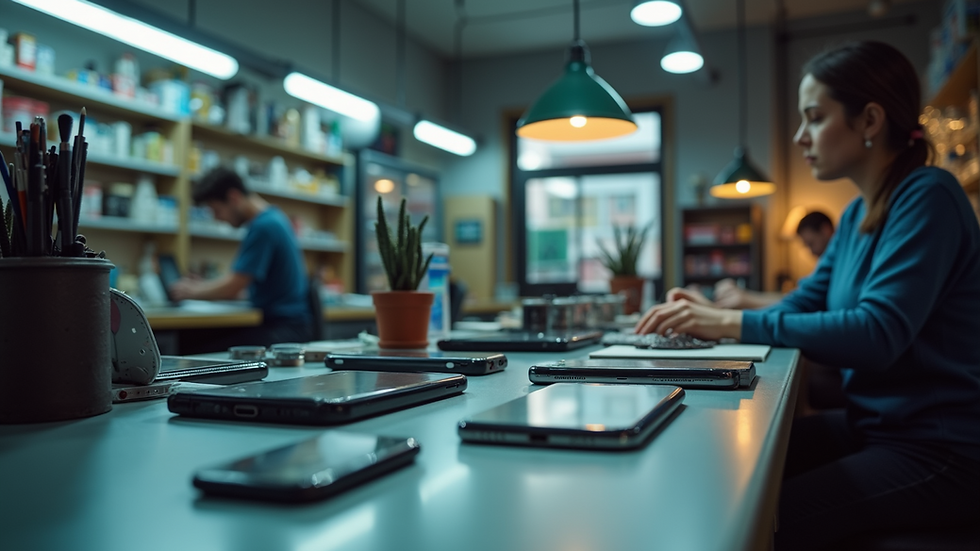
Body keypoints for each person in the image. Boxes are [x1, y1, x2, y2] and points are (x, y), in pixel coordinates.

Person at [636, 41, 980, 549]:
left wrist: (729, 323)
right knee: (723, 463)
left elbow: (877, 333)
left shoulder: (928, 196)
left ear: (869, 120)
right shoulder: (856, 215)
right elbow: (801, 303)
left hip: (939, 448)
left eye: (815, 118)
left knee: (757, 520)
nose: (800, 136)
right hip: (875, 426)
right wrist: (708, 312)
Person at [169, 167, 312, 351]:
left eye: (216, 210)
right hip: (288, 325)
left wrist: (191, 292)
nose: (217, 219)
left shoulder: (264, 226)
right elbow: (244, 287)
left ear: (234, 197)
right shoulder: (274, 218)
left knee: (193, 344)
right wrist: (203, 287)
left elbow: (233, 286)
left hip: (284, 330)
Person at [712, 212, 836, 310]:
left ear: (825, 230)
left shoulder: (837, 264)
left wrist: (745, 299)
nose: (811, 252)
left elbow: (803, 300)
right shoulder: (828, 264)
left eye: (811, 243)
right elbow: (801, 296)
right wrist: (745, 296)